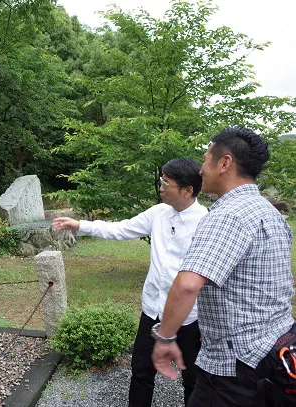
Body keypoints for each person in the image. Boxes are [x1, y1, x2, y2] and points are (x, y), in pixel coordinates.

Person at [151, 127, 295, 406]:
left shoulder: (226, 216)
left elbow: (187, 285)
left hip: (236, 365)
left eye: (205, 159)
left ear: (224, 163)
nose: (201, 169)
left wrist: (165, 338)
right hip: (276, 348)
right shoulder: (270, 211)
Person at [52, 158, 208, 407]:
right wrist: (80, 225)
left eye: (166, 183)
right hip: (153, 309)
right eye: (161, 181)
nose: (161, 187)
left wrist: (207, 325)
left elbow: (209, 282)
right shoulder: (158, 213)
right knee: (141, 372)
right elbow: (121, 229)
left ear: (187, 190)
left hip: (189, 317)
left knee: (193, 379)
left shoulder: (206, 222)